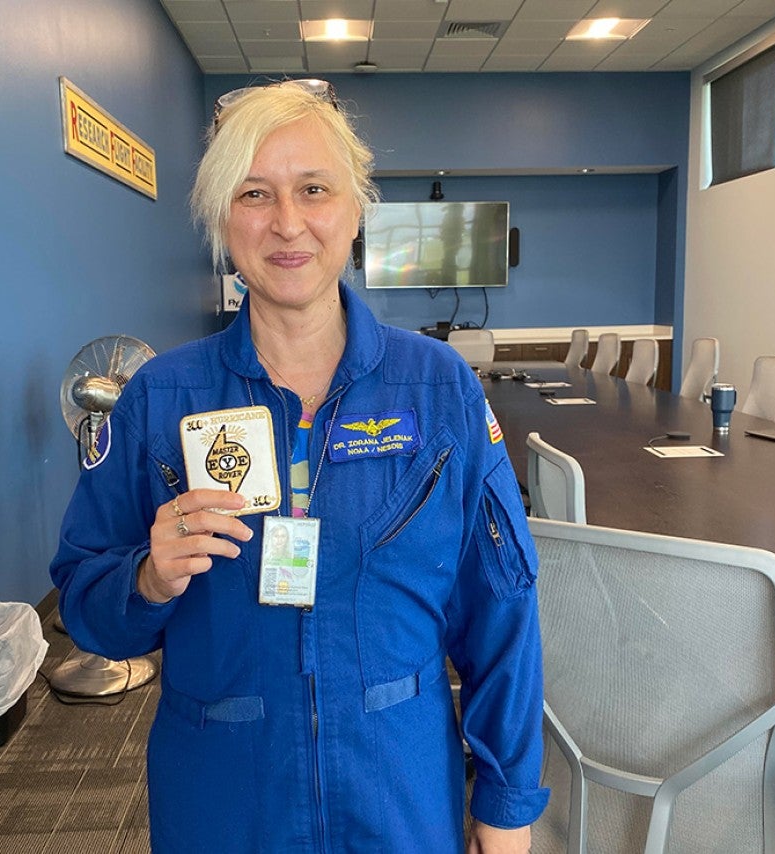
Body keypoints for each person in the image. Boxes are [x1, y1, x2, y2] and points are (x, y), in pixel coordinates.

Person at [50, 79, 548, 853]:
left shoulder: (438, 387)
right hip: (223, 798)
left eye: (313, 189)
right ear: (222, 219)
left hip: (400, 791)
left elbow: (502, 611)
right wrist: (147, 578)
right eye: (255, 193)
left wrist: (508, 804)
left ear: (354, 210)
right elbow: (85, 604)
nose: (287, 223)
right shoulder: (160, 397)